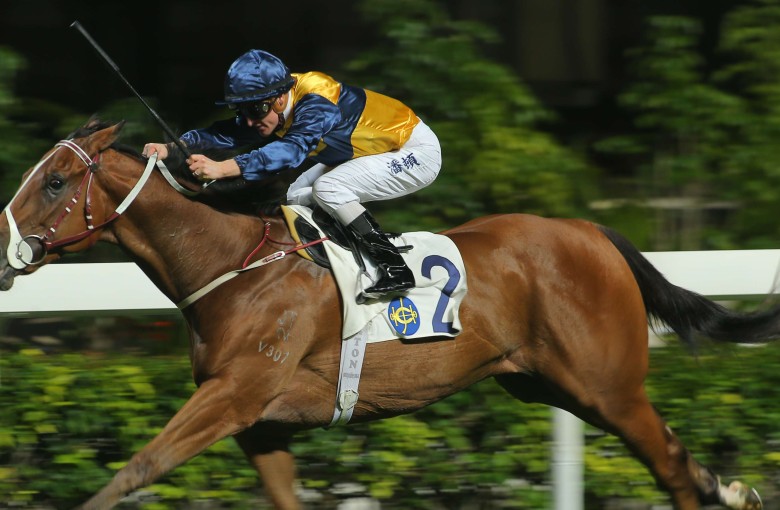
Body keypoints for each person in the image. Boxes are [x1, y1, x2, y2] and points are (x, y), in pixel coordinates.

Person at [143, 49, 442, 301]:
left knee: (328, 188)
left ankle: (395, 269)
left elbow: (292, 151)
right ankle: (337, 268)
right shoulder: (267, 106)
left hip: (412, 150)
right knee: (297, 196)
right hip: (370, 152)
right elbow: (225, 134)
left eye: (256, 110)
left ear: (279, 98)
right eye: (242, 111)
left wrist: (223, 168)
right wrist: (172, 147)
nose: (249, 120)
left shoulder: (317, 96)